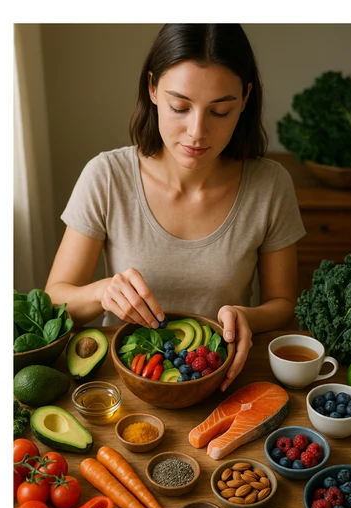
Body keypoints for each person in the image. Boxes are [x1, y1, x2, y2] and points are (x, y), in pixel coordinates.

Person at [45, 24, 306, 392]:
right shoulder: (106, 176)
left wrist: (246, 316)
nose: (197, 132)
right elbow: (55, 297)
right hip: (124, 382)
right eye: (179, 107)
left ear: (245, 99)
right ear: (152, 88)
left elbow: (282, 303)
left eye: (220, 111)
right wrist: (102, 292)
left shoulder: (271, 185)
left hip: (223, 381)